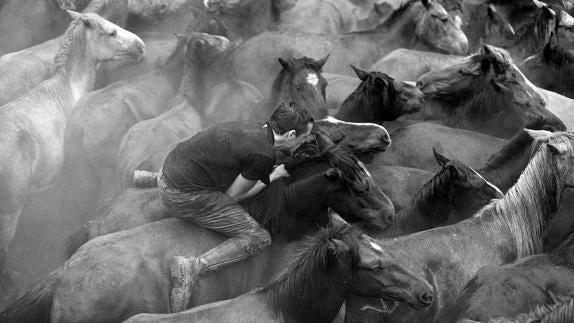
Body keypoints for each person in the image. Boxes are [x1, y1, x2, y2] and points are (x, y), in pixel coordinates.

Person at [158, 101, 315, 312]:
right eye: (304, 137)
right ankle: (194, 267)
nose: (305, 142)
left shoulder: (252, 127)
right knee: (259, 237)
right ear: (290, 135)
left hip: (169, 170)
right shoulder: (263, 155)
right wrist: (273, 175)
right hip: (181, 196)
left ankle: (152, 178)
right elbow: (233, 196)